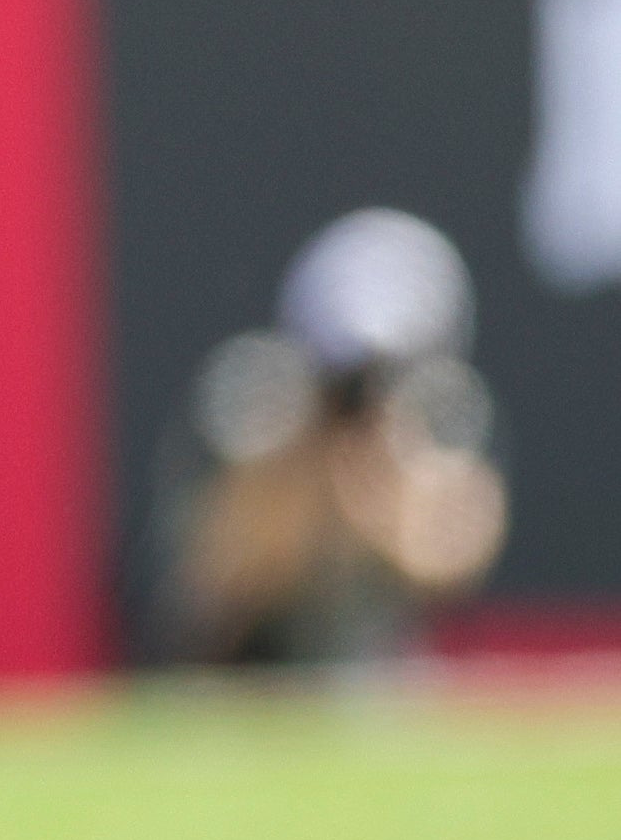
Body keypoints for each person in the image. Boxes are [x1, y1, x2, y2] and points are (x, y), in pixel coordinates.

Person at [151, 208, 509, 669]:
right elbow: (210, 593)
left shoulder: (435, 441)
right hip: (253, 677)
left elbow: (448, 567)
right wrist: (294, 487)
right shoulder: (259, 432)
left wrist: (374, 498)